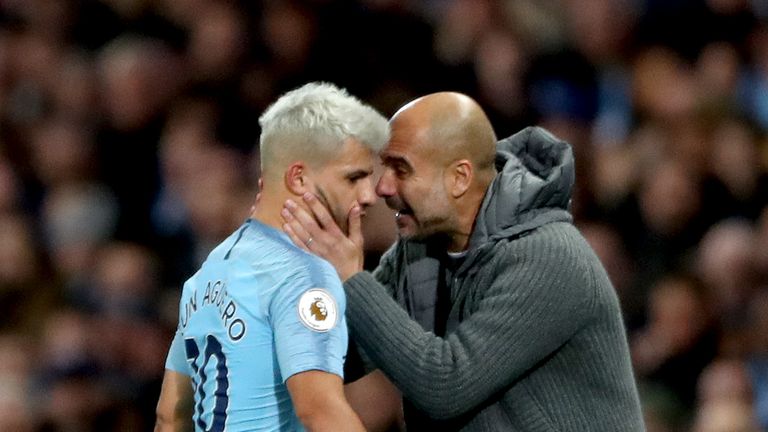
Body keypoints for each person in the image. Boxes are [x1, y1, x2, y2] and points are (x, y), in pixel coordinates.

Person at [282, 92, 646, 430]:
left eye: (402, 169)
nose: (383, 188)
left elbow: (445, 386)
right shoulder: (421, 248)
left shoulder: (548, 257)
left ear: (460, 178)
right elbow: (339, 353)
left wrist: (349, 277)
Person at [154, 82, 393, 432]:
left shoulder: (207, 276)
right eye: (351, 177)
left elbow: (169, 415)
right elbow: (321, 410)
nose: (369, 195)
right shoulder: (304, 275)